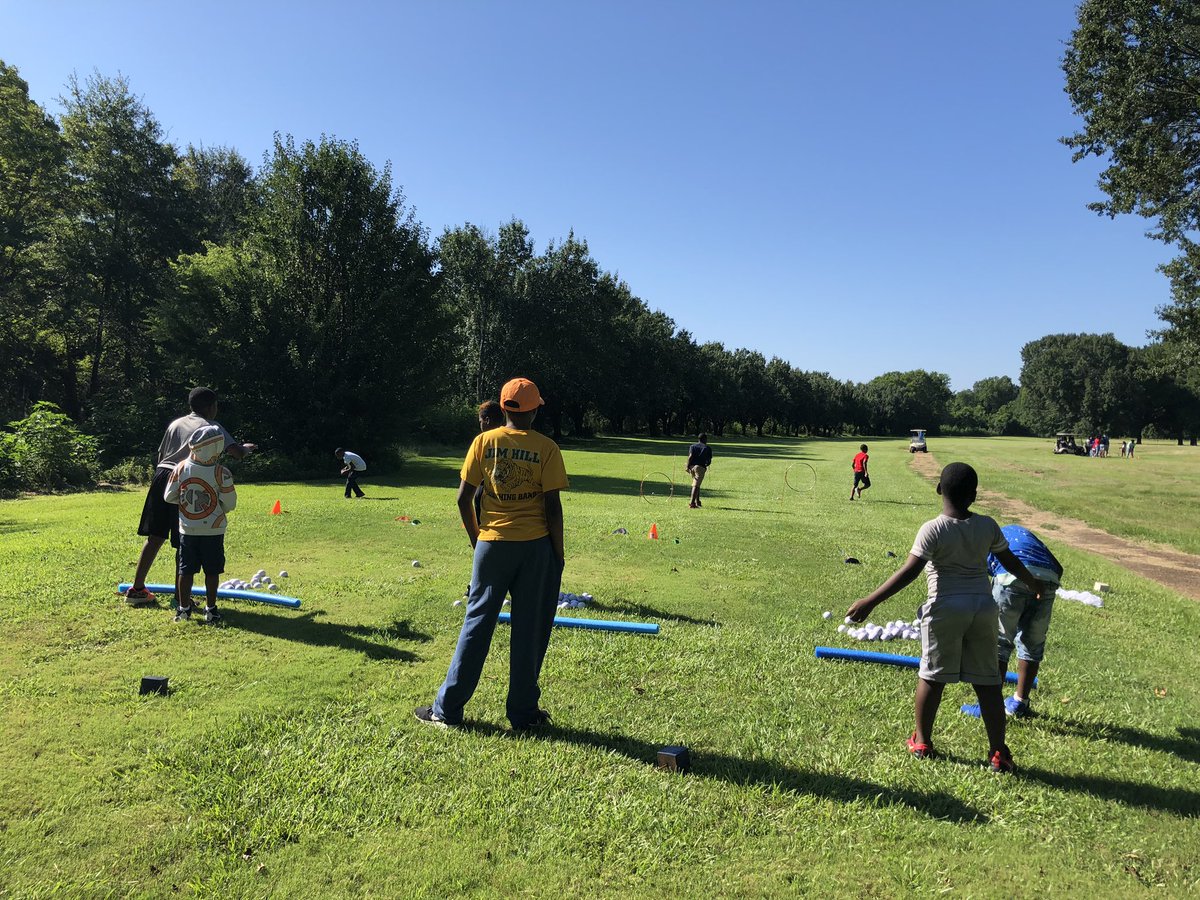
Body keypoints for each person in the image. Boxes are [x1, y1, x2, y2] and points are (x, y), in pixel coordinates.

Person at [845, 462, 1044, 773]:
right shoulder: (988, 526)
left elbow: (909, 571)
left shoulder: (933, 528)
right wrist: (1032, 583)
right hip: (983, 608)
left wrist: (870, 601)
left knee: (933, 676)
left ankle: (922, 741)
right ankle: (998, 753)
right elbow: (1009, 561)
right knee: (989, 683)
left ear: (939, 489)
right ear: (974, 495)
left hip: (945, 609)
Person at [416, 377, 569, 730]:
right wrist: (557, 554)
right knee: (530, 630)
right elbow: (553, 508)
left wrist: (478, 540)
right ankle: (523, 714)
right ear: (534, 411)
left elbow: (463, 498)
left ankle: (447, 710)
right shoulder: (547, 448)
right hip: (536, 548)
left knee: (477, 624)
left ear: (502, 409)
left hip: (491, 546)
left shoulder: (483, 441)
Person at [122, 387, 254, 606]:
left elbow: (161, 455)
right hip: (187, 477)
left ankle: (137, 590)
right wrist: (247, 448)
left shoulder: (175, 423)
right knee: (183, 539)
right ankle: (180, 598)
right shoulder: (212, 426)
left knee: (155, 537)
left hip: (162, 475)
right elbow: (236, 453)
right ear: (212, 407)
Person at [961, 525, 1063, 720]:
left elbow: (981, 573)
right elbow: (1058, 568)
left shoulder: (991, 538)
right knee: (1033, 643)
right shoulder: (1030, 540)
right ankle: (1020, 702)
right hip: (1049, 579)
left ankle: (989, 707)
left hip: (1011, 580)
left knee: (999, 642)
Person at [163, 425, 237, 623]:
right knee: (212, 571)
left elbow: (169, 496)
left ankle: (183, 609)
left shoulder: (180, 468)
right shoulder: (222, 473)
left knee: (185, 570)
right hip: (214, 530)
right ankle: (211, 609)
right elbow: (230, 504)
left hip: (187, 529)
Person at [685, 433, 712, 509]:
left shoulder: (692, 446)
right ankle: (692, 503)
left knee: (696, 483)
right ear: (705, 439)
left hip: (692, 467)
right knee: (696, 485)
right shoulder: (707, 448)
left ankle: (698, 501)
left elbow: (690, 457)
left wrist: (687, 466)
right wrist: (706, 465)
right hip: (700, 467)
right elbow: (709, 460)